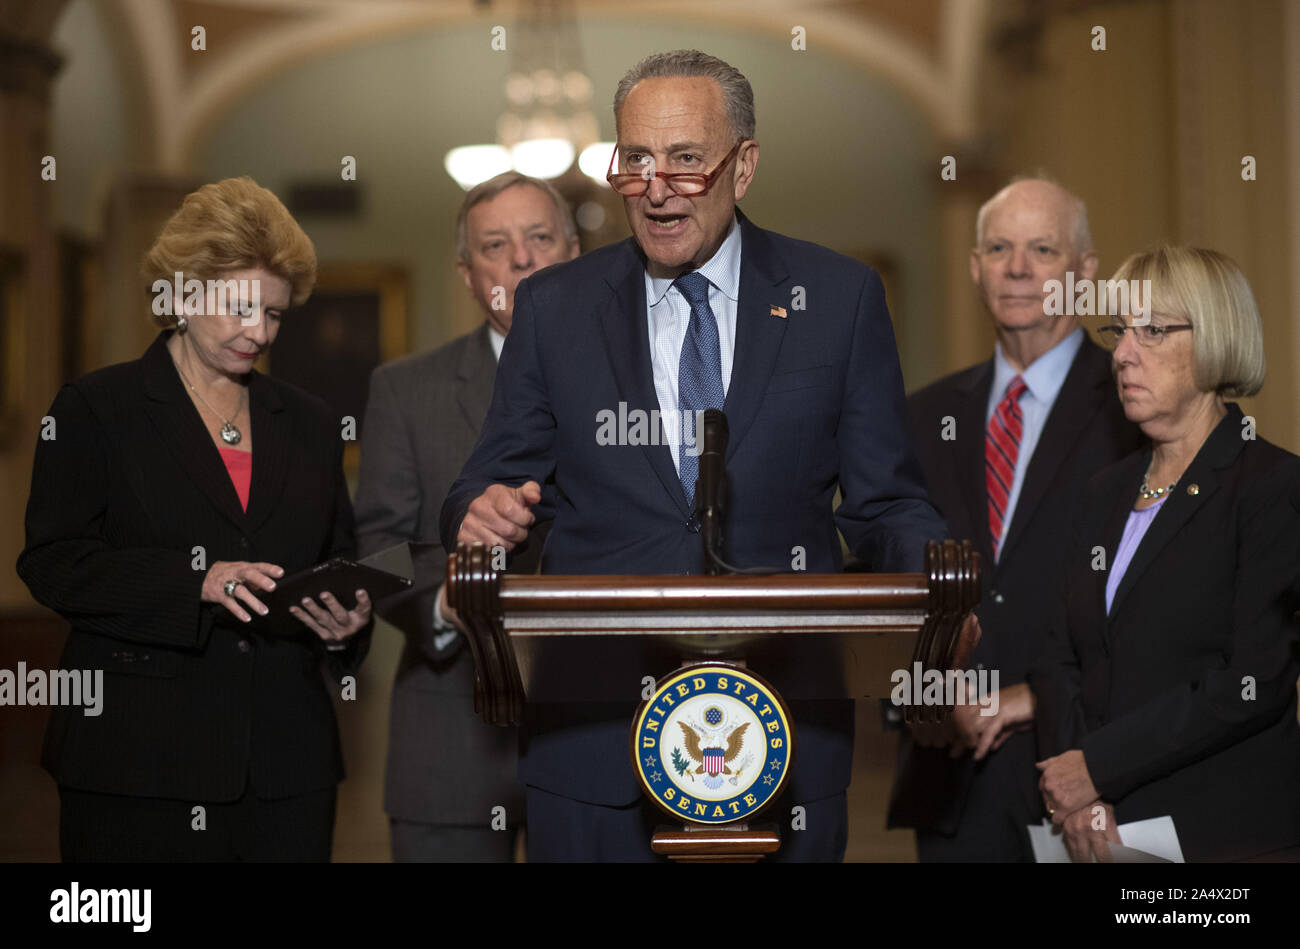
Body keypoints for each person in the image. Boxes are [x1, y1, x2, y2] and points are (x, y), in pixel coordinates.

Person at [440, 49, 953, 862]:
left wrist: (944, 583)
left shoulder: (839, 300)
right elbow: (490, 476)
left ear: (743, 166)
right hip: (592, 742)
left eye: (685, 159)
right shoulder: (555, 307)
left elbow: (885, 499)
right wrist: (477, 509)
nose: (655, 184)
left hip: (781, 735)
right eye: (635, 159)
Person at [16, 176, 373, 862]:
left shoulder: (310, 422)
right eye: (239, 307)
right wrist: (197, 583)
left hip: (287, 767)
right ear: (180, 294)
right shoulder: (96, 409)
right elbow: (52, 563)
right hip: (137, 765)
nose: (258, 332)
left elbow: (338, 556)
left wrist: (346, 627)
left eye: (273, 314)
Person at [887, 179, 1141, 861]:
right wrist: (922, 693)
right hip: (950, 777)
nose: (1018, 268)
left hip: (1091, 769)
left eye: (1043, 249)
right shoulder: (921, 415)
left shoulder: (1136, 409)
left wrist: (1042, 694)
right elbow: (886, 572)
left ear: (1084, 273)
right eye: (999, 248)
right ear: (975, 267)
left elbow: (1162, 597)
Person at [1031, 246, 1300, 862]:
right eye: (1119, 331)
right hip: (1093, 831)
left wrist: (1096, 768)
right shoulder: (1104, 491)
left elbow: (1252, 684)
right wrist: (1079, 794)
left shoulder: (1272, 487)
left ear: (1215, 341)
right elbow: (1060, 654)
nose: (1123, 353)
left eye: (1152, 331)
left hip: (1228, 838)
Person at [354, 171, 579, 862]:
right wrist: (452, 601)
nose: (521, 257)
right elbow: (380, 547)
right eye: (495, 244)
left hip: (600, 737)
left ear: (575, 252)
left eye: (539, 236)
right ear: (466, 271)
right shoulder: (404, 388)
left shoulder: (647, 384)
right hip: (448, 743)